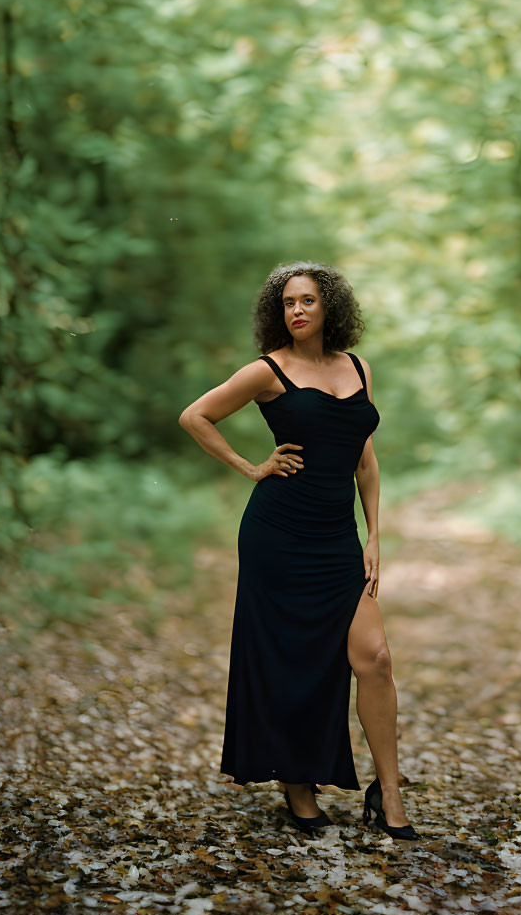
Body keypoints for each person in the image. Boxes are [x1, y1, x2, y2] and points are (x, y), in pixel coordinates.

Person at [178, 260, 418, 840]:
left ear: (330, 306)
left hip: (337, 538)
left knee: (376, 660)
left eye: (308, 300)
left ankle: (387, 793)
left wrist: (375, 533)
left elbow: (363, 455)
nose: (298, 310)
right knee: (289, 659)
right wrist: (251, 467)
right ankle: (296, 786)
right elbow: (196, 415)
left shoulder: (357, 367)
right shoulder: (268, 371)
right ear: (276, 311)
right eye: (288, 302)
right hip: (278, 536)